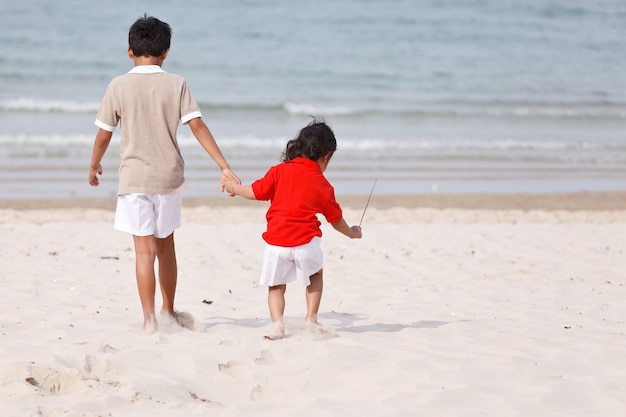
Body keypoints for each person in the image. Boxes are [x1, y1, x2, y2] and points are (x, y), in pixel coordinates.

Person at [88, 15, 240, 333]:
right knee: (166, 247)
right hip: (169, 178)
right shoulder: (176, 83)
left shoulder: (118, 85)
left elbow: (104, 134)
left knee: (143, 251)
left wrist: (94, 164)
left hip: (134, 179)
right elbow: (197, 125)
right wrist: (223, 166)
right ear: (166, 52)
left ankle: (149, 321)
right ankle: (168, 312)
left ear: (130, 51)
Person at [224, 118, 362, 339]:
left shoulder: (278, 172)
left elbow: (256, 192)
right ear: (325, 157)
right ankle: (311, 319)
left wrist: (233, 187)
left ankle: (278, 325)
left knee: (276, 286)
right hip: (306, 243)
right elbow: (336, 220)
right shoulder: (323, 184)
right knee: (315, 274)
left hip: (276, 243)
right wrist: (353, 233)